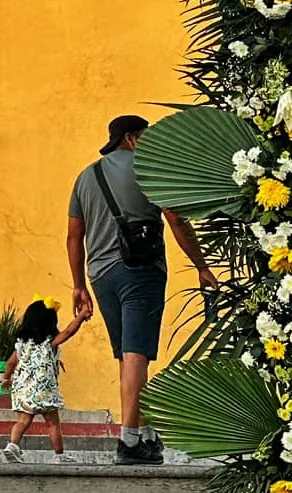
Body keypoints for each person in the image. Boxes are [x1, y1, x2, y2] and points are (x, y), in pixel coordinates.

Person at [68, 114, 218, 465]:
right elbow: (176, 219)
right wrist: (201, 265)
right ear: (132, 139)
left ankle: (146, 432)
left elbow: (74, 236)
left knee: (128, 355)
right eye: (147, 138)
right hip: (140, 271)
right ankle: (129, 440)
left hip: (100, 275)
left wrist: (78, 285)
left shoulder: (86, 176)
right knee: (137, 353)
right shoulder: (147, 169)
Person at [1, 295, 81, 464]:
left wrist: (6, 379)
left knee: (22, 421)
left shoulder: (22, 345)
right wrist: (80, 316)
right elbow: (69, 331)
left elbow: (10, 363)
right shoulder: (50, 343)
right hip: (44, 391)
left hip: (24, 391)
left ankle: (12, 446)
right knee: (52, 424)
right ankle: (59, 456)